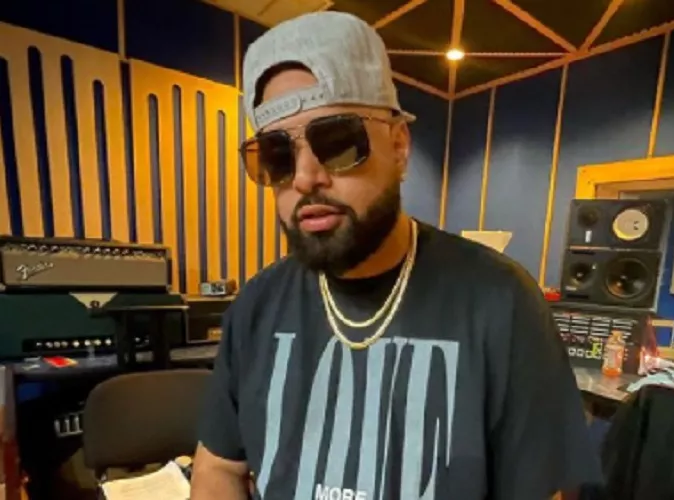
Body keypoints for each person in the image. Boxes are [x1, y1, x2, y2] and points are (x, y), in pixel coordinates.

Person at [190, 11, 602, 500]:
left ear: (399, 147)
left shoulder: (502, 302)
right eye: (277, 155)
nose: (304, 178)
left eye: (337, 142)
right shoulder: (256, 306)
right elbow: (218, 468)